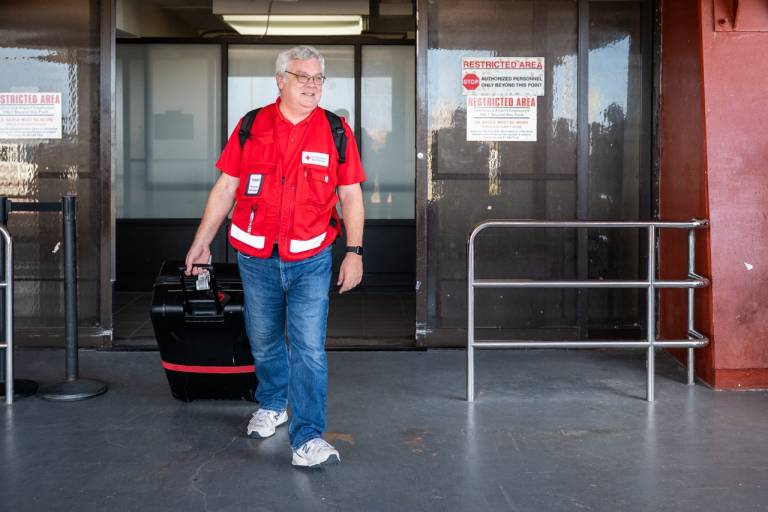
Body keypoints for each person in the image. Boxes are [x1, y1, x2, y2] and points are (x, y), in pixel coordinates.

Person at [184, 45, 365, 468]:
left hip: (311, 257)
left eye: (318, 78)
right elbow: (226, 187)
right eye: (302, 77)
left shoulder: (336, 131)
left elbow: (351, 194)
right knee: (263, 340)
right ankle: (272, 403)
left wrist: (354, 251)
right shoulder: (251, 126)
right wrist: (201, 241)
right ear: (280, 79)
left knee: (308, 348)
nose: (311, 86)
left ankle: (307, 438)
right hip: (256, 256)